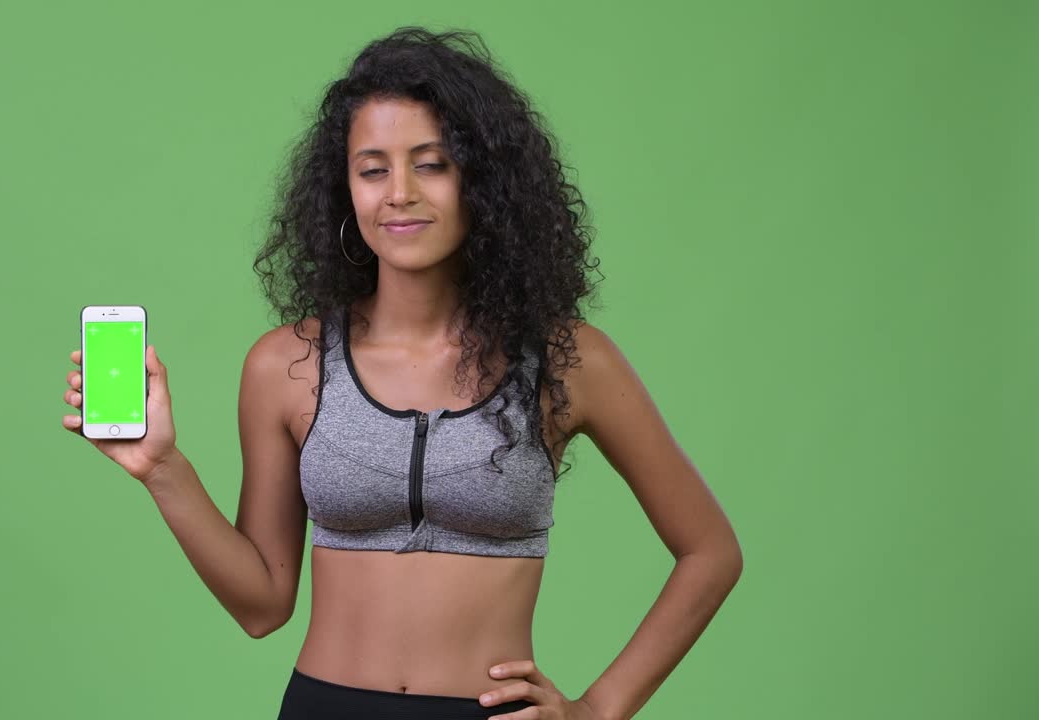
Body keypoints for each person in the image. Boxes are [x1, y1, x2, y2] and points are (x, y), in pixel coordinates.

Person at [62, 26, 742, 720]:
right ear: (344, 190)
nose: (400, 194)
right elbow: (263, 604)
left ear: (482, 178)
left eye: (433, 164)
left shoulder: (568, 361)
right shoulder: (286, 366)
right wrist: (163, 469)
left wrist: (598, 710)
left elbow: (711, 551)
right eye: (373, 168)